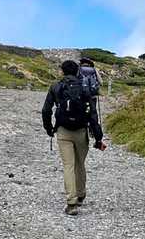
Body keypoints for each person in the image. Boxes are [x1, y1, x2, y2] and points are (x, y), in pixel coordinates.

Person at [42, 59, 104, 214]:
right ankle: (81, 195)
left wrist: (49, 128)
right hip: (81, 131)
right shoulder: (84, 88)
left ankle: (71, 203)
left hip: (63, 130)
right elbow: (93, 114)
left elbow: (46, 110)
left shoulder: (55, 86)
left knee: (68, 166)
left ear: (62, 71)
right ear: (78, 71)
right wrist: (98, 137)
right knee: (80, 164)